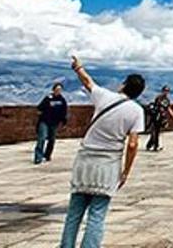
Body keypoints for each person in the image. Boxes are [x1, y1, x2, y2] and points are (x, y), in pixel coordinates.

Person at [59, 55, 146, 248]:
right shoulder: (136, 111)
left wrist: (78, 67)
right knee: (97, 215)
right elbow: (132, 144)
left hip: (86, 160)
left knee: (74, 212)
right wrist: (126, 171)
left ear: (123, 85)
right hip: (108, 165)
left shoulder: (105, 96)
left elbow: (88, 82)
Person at [36, 82, 69, 164]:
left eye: (60, 90)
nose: (58, 91)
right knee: (42, 138)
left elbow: (64, 111)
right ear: (53, 90)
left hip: (54, 123)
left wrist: (63, 121)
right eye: (57, 89)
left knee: (52, 140)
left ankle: (47, 155)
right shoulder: (48, 98)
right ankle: (38, 157)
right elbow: (39, 108)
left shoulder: (62, 100)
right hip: (45, 121)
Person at [145, 86, 173, 152]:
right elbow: (158, 106)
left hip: (162, 117)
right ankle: (156, 145)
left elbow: (168, 108)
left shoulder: (167, 100)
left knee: (157, 131)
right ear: (162, 91)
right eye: (165, 90)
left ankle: (149, 145)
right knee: (155, 131)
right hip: (156, 116)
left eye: (167, 91)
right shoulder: (159, 98)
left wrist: (172, 116)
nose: (166, 92)